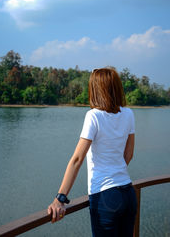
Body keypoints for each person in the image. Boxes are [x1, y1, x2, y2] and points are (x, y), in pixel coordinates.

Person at [48, 67, 137, 237]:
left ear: (95, 89)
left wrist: (60, 199)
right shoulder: (128, 113)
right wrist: (115, 171)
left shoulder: (94, 116)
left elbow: (77, 159)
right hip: (128, 193)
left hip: (105, 197)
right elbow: (129, 154)